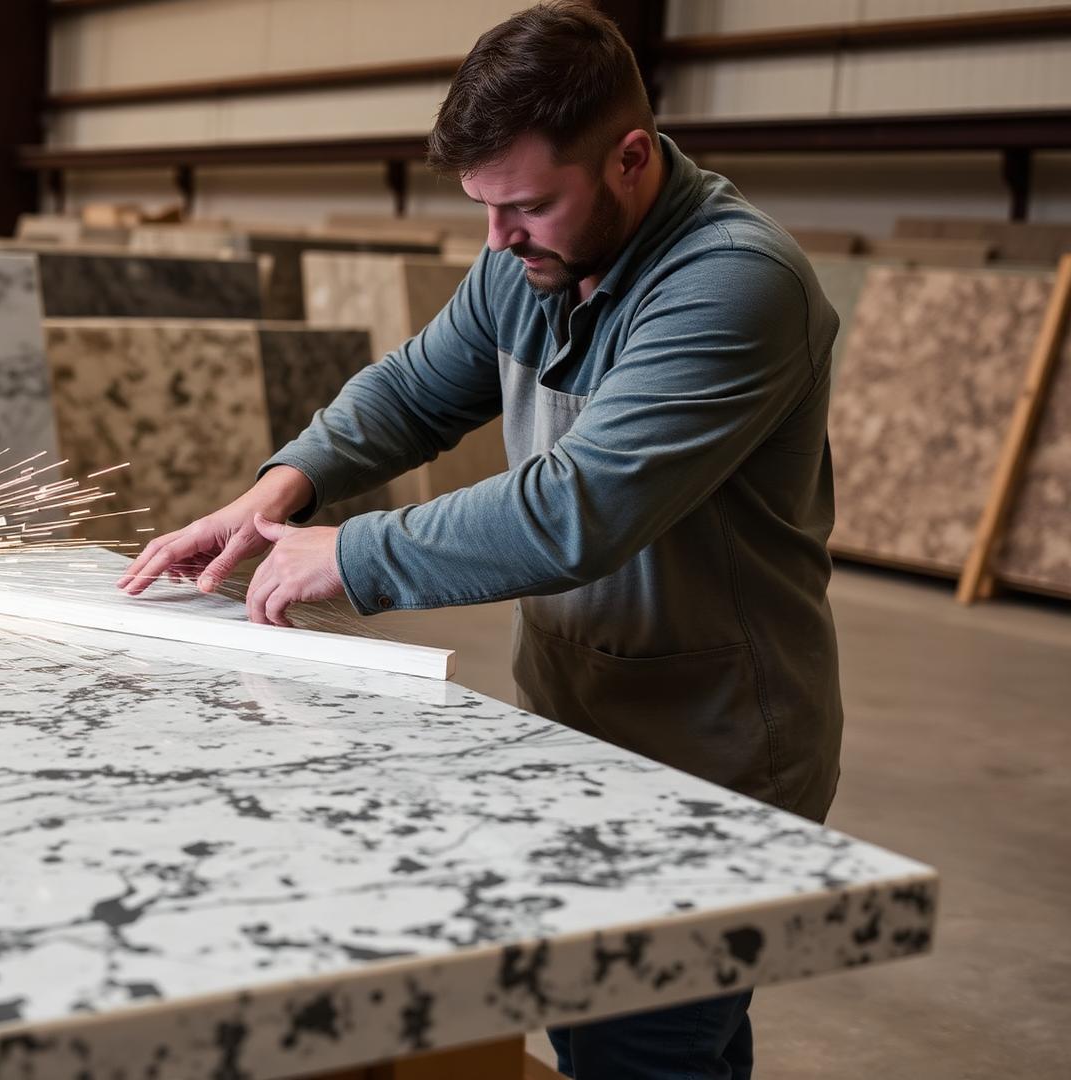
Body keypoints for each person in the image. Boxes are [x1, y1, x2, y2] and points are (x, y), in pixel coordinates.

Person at [115, 3, 846, 1077]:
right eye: (486, 211)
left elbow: (575, 511)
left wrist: (347, 554)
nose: (498, 243)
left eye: (529, 207)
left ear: (632, 157)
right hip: (579, 719)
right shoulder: (528, 256)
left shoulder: (735, 285)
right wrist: (271, 495)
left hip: (713, 749)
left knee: (653, 1048)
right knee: (591, 1022)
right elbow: (414, 389)